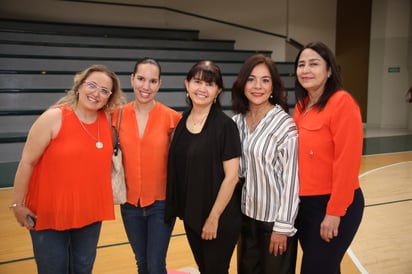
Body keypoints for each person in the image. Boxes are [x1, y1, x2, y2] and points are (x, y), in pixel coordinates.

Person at [9, 64, 124, 274]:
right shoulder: (54, 117)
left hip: (90, 214)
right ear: (79, 86)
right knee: (53, 269)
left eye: (104, 91)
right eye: (92, 85)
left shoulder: (108, 121)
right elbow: (27, 162)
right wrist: (17, 204)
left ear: (109, 97)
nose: (96, 93)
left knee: (82, 269)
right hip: (50, 213)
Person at [292, 41, 365, 274]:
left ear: (329, 70)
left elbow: (347, 162)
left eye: (314, 64)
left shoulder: (342, 103)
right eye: (301, 64)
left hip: (334, 204)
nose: (306, 70)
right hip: (304, 206)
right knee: (326, 268)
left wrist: (335, 212)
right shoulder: (301, 107)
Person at [165, 60, 242, 274]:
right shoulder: (181, 120)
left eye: (209, 84)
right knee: (205, 268)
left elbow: (232, 177)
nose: (202, 89)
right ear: (187, 85)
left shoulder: (226, 126)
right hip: (192, 215)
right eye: (197, 82)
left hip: (219, 218)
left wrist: (213, 217)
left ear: (217, 91)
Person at [231, 54, 300, 274]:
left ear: (274, 86)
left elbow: (292, 180)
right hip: (247, 219)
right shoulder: (237, 122)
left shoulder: (284, 125)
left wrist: (283, 227)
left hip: (275, 223)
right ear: (242, 84)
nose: (257, 86)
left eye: (265, 80)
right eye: (251, 79)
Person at [116, 57, 181, 274]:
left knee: (155, 264)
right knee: (141, 263)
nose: (146, 86)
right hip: (130, 205)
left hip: (161, 205)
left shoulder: (173, 119)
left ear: (160, 84)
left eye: (153, 81)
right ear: (132, 79)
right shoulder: (116, 116)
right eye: (141, 79)